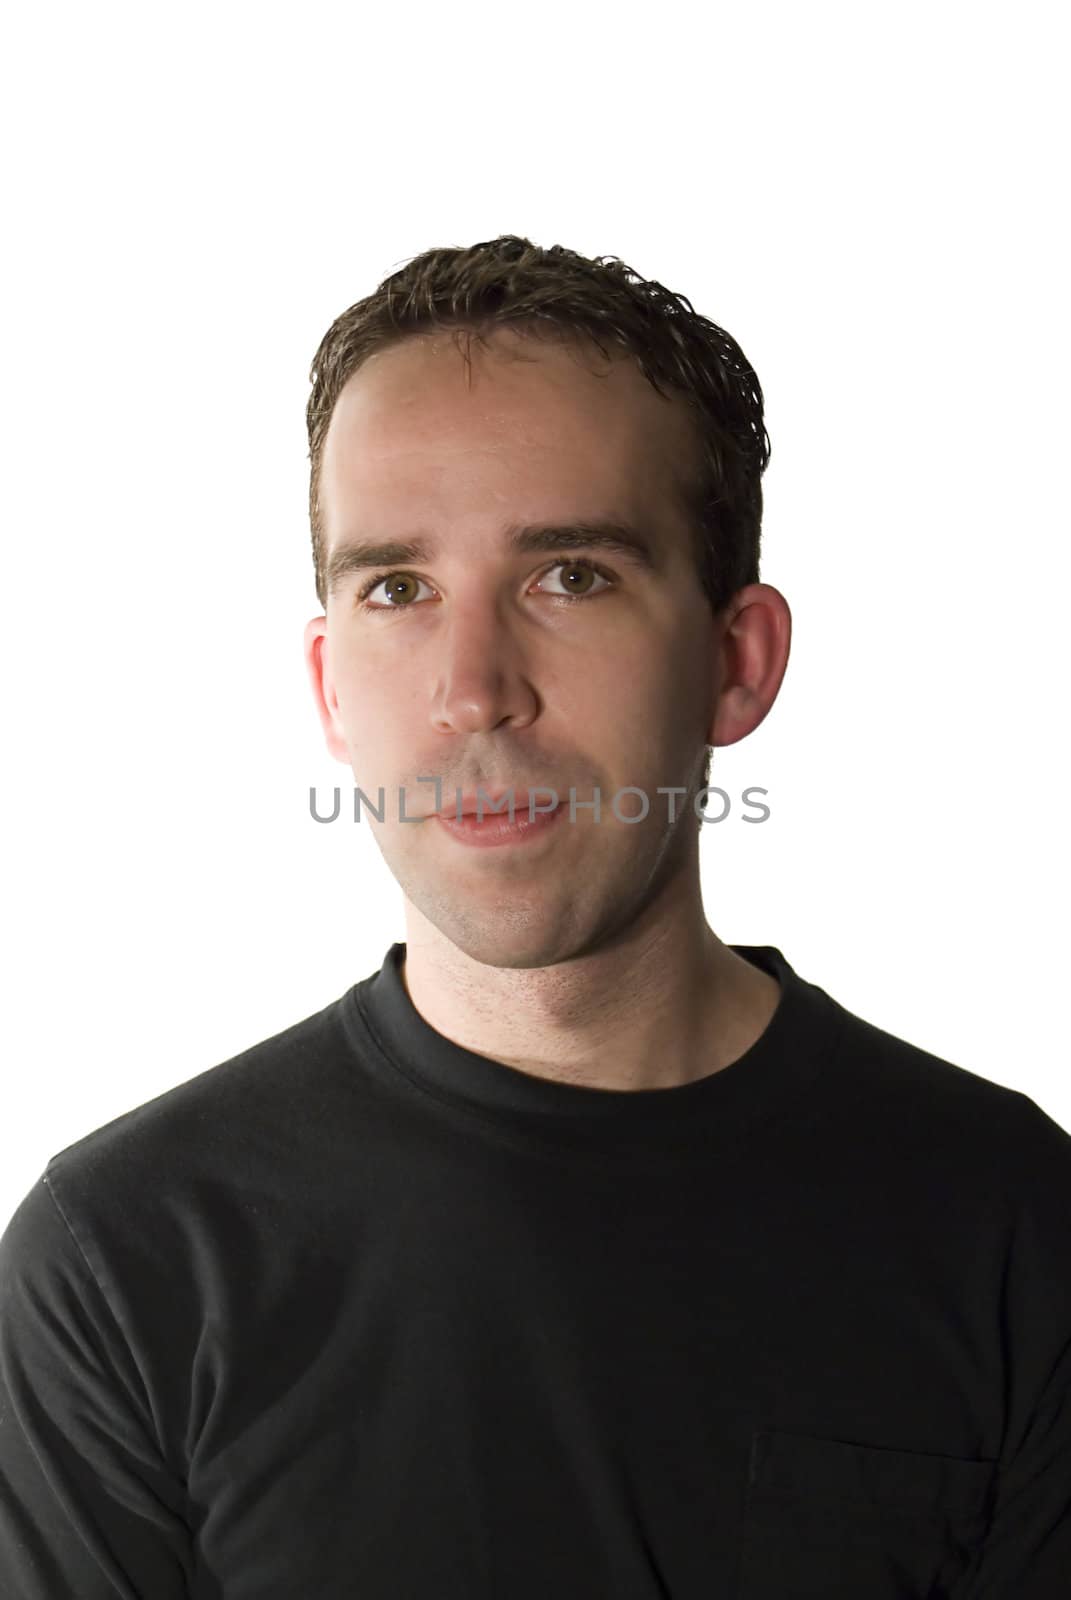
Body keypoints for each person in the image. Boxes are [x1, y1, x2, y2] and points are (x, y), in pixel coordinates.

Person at [1, 234, 1067, 1598]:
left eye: (570, 576)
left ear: (736, 663)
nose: (473, 689)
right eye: (397, 588)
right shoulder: (127, 1265)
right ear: (331, 687)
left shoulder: (1015, 1233)